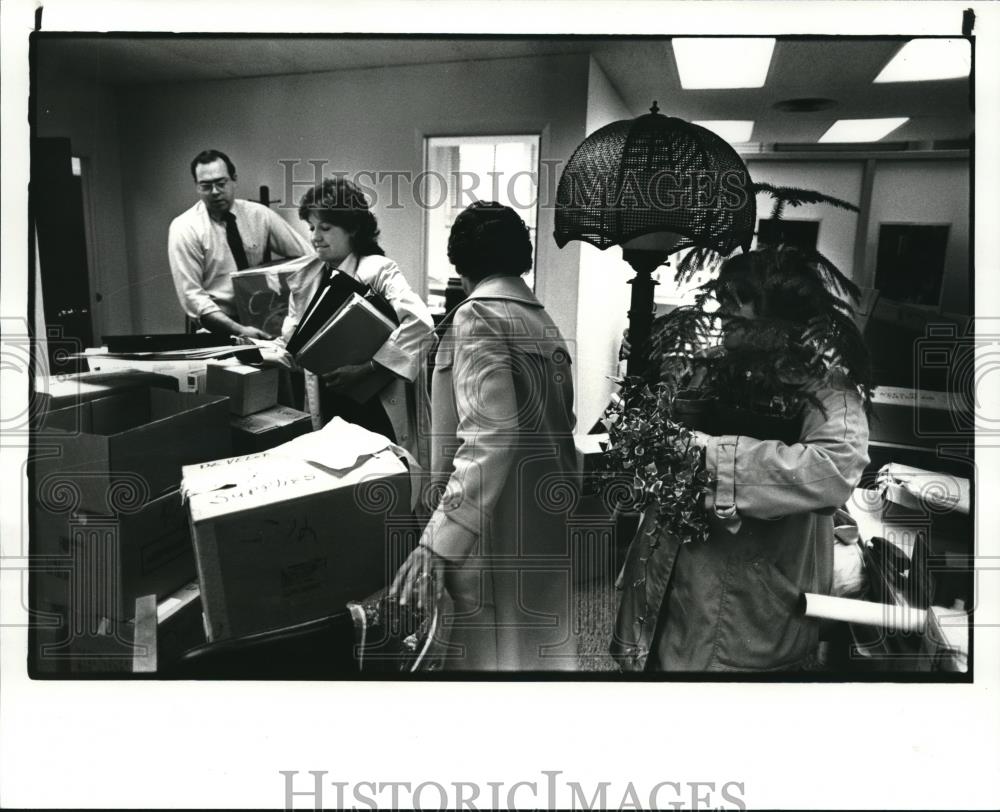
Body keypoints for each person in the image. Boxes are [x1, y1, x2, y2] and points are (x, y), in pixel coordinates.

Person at [612, 245, 871, 672]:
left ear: (778, 315)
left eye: (737, 299)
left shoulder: (823, 389)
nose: (722, 310)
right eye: (723, 298)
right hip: (670, 571)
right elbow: (665, 437)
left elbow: (835, 468)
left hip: (748, 599)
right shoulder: (710, 367)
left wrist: (709, 455)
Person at [391, 202, 579, 671]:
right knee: (538, 642)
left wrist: (438, 539)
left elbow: (487, 437)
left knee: (490, 656)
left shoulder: (477, 316)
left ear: (459, 264)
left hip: (491, 520)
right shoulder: (540, 319)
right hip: (540, 510)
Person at [282, 177, 433, 467]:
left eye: (325, 228)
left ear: (352, 228)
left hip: (371, 402)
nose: (315, 237)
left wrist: (367, 368)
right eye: (312, 228)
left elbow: (420, 324)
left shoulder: (377, 270)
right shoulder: (306, 279)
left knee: (377, 472)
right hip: (328, 401)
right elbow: (291, 339)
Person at [168, 149, 312, 338]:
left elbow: (307, 257)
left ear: (234, 179)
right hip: (218, 327)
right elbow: (192, 297)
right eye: (206, 186)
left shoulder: (259, 215)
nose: (215, 192)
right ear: (196, 186)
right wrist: (239, 330)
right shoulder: (185, 228)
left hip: (264, 317)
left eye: (221, 183)